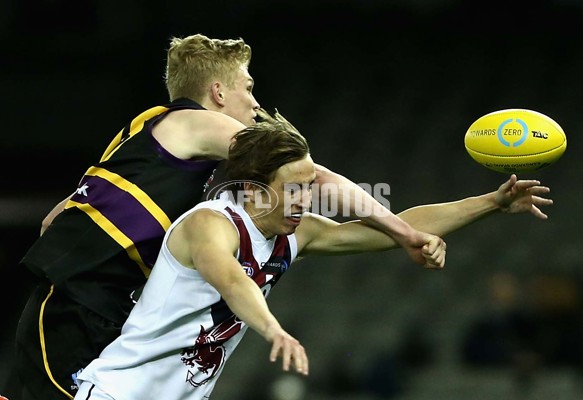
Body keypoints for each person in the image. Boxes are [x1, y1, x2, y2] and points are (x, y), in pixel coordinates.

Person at [7, 34, 443, 400]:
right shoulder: (195, 122)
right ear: (218, 93)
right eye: (247, 88)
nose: (255, 103)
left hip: (98, 303)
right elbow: (318, 177)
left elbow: (55, 219)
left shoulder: (144, 132)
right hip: (77, 306)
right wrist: (401, 230)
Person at [74, 110, 552, 400]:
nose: (307, 198)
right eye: (296, 188)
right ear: (255, 188)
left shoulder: (294, 236)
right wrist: (272, 328)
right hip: (118, 391)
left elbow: (399, 228)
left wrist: (491, 203)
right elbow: (231, 281)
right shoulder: (209, 224)